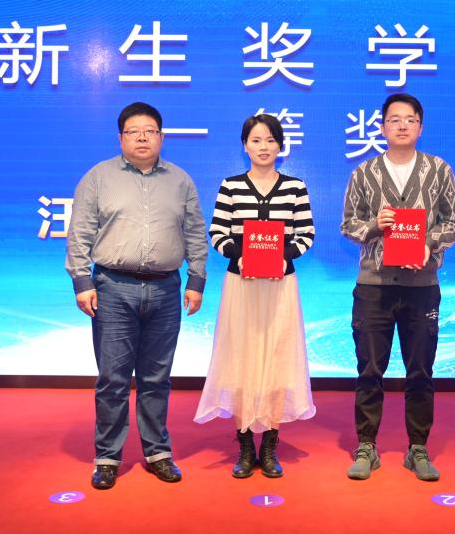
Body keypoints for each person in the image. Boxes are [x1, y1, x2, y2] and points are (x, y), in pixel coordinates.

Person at [65, 102, 208, 491]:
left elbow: (195, 233)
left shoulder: (180, 180)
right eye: (134, 131)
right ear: (121, 138)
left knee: (156, 378)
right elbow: (80, 232)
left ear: (162, 136)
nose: (142, 137)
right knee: (112, 379)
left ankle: (158, 452)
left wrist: (196, 280)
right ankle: (107, 457)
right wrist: (82, 281)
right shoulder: (99, 177)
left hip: (166, 289)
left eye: (150, 131)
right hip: (113, 288)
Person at [340, 92, 455, 481]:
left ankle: (418, 447)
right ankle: (366, 445)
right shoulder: (364, 172)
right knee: (369, 370)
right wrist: (374, 225)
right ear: (382, 127)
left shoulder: (439, 170)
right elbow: (348, 224)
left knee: (420, 370)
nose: (402, 126)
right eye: (394, 120)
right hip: (373, 286)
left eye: (410, 119)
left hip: (421, 286)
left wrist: (428, 244)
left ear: (420, 127)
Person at [194, 113, 316, 478]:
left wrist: (283, 258)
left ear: (281, 146)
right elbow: (217, 233)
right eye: (256, 140)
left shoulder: (295, 188)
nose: (263, 147)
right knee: (241, 359)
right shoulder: (231, 186)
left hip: (280, 286)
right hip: (241, 285)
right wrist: (241, 255)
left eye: (270, 140)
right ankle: (246, 444)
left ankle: (271, 445)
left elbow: (306, 235)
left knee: (278, 358)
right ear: (245, 146)